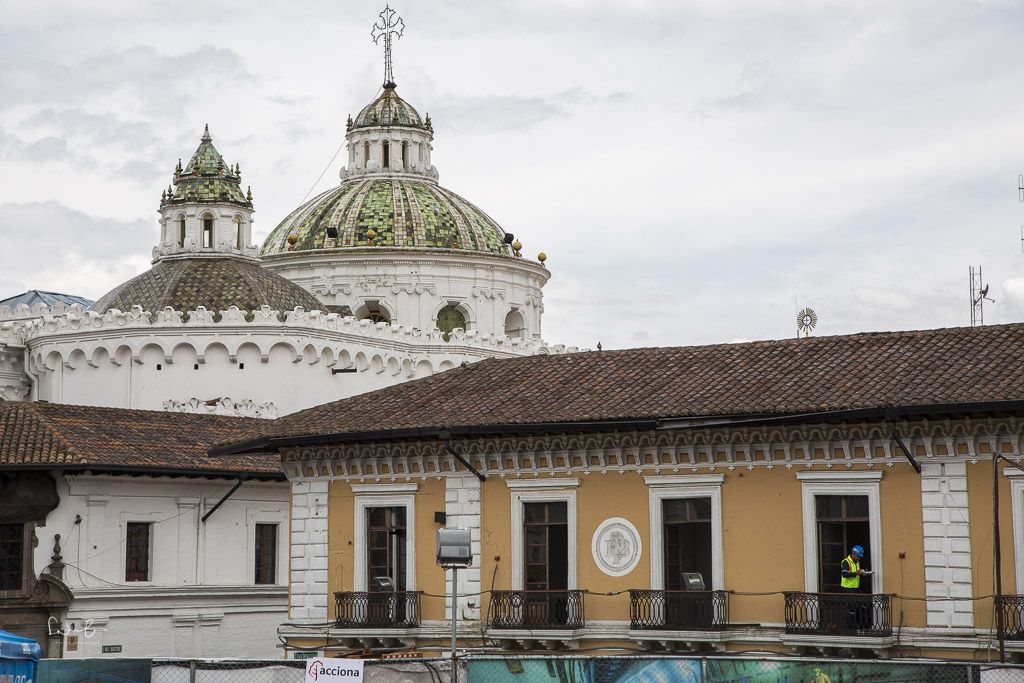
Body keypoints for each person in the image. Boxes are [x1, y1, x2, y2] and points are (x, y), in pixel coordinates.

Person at [840, 545, 869, 629]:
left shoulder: (857, 562)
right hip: (847, 588)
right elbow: (844, 574)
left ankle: (861, 626)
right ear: (854, 554)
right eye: (858, 556)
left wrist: (862, 572)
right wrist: (857, 573)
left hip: (856, 588)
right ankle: (851, 628)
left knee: (862, 606)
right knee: (852, 609)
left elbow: (856, 573)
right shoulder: (845, 562)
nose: (859, 558)